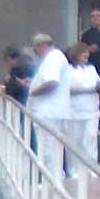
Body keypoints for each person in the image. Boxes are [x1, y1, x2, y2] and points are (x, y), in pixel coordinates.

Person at [27, 32, 71, 180]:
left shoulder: (53, 59)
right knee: (52, 149)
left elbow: (52, 83)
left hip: (48, 112)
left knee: (48, 149)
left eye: (35, 49)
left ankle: (51, 181)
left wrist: (33, 92)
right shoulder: (56, 58)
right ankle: (55, 179)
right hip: (52, 111)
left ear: (41, 46)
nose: (35, 53)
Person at [65, 42, 100, 176]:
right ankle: (74, 170)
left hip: (92, 109)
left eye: (87, 53)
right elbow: (67, 89)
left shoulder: (91, 69)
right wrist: (88, 90)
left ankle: (92, 170)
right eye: (83, 53)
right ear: (76, 54)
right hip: (74, 110)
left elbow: (98, 85)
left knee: (91, 138)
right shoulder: (68, 70)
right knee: (74, 140)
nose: (86, 55)